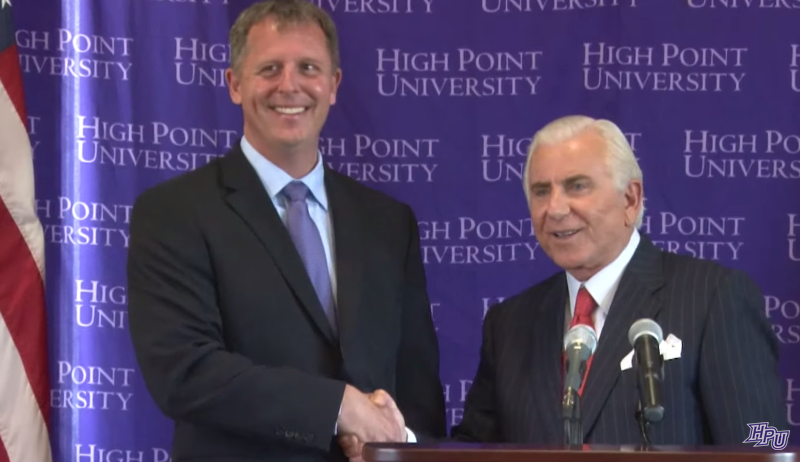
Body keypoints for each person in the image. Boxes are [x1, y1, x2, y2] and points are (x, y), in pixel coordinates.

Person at [126, 1, 446, 461]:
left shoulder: (389, 223)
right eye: (269, 68)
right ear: (235, 84)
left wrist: (397, 446)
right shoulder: (174, 212)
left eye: (308, 68)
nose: (289, 85)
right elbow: (184, 371)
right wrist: (337, 407)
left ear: (333, 85)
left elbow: (418, 393)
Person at [449, 115, 788, 445]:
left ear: (630, 199)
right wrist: (417, 441)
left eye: (576, 186)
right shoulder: (509, 324)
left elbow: (763, 441)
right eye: (541, 191)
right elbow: (475, 450)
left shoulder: (712, 297)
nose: (555, 208)